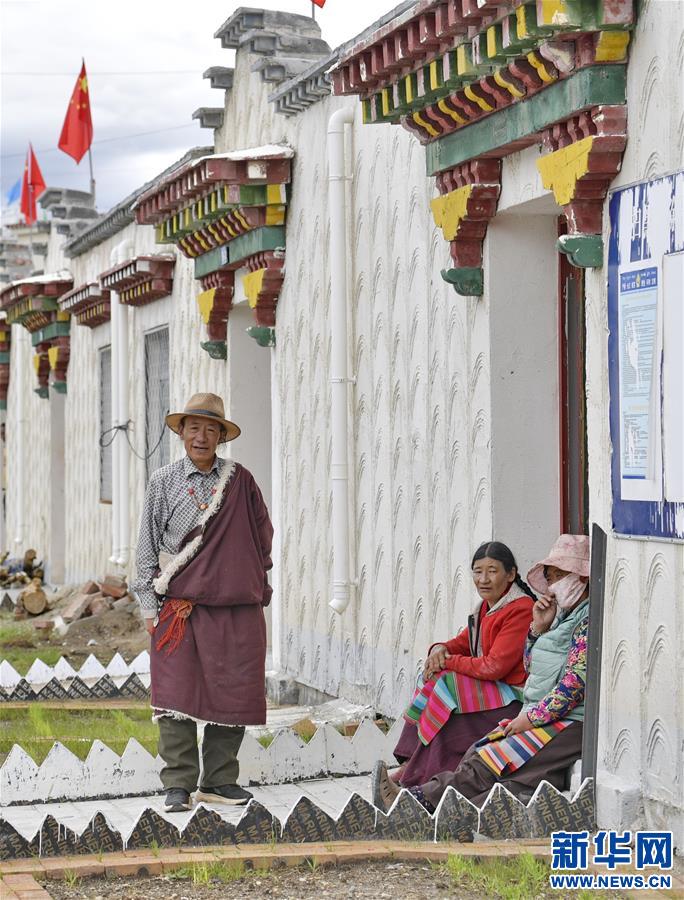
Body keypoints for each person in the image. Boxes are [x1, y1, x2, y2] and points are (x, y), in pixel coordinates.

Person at [374, 534, 590, 813]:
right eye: (551, 576)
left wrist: (532, 718)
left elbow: (574, 683)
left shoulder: (583, 621)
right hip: (542, 712)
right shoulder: (560, 617)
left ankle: (421, 803)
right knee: (480, 753)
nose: (554, 583)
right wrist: (538, 630)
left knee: (491, 758)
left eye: (562, 574)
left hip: (564, 719)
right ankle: (430, 802)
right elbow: (532, 666)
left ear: (582, 578)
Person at [133, 392, 273, 813]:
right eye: (194, 427)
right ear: (181, 432)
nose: (202, 436)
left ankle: (219, 781)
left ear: (220, 436)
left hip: (234, 608)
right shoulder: (163, 481)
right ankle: (178, 784)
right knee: (175, 694)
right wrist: (147, 606)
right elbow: (146, 546)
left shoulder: (240, 480)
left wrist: (248, 578)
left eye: (211, 428)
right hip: (179, 609)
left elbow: (262, 535)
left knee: (232, 693)